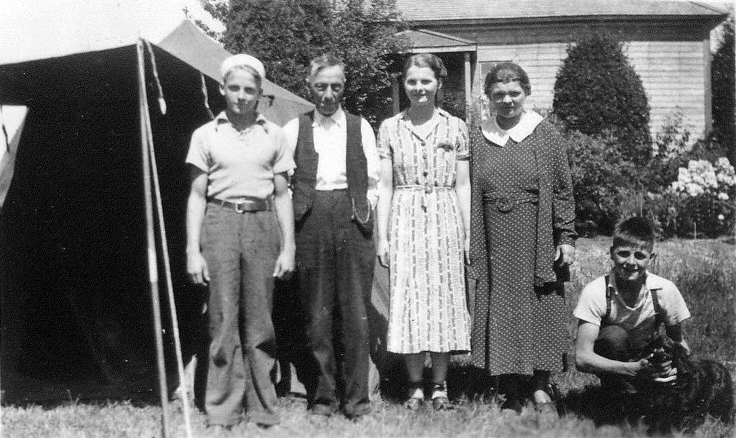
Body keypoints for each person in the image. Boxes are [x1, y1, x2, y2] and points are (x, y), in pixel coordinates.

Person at [185, 54, 295, 429]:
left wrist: (288, 246)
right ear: (222, 89)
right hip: (219, 222)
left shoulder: (275, 135)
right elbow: (197, 195)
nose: (242, 96)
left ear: (260, 94)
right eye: (234, 88)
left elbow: (283, 195)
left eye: (250, 90)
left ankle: (263, 407)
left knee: (260, 319)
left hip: (262, 223)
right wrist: (192, 251)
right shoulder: (206, 134)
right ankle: (222, 409)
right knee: (222, 317)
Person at [467, 62, 576, 413]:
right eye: (498, 94)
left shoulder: (544, 133)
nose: (507, 100)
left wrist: (566, 237)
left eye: (514, 93)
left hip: (537, 233)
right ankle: (508, 386)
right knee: (500, 305)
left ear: (526, 94)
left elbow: (561, 189)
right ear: (488, 98)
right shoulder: (478, 135)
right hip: (493, 234)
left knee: (541, 304)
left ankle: (541, 386)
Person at [283, 54, 380, 419]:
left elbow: (374, 182)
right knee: (317, 314)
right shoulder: (294, 129)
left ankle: (357, 400)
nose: (328, 94)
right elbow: (284, 181)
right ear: (310, 87)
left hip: (351, 218)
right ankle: (323, 398)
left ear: (344, 88)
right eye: (321, 86)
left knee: (355, 313)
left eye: (335, 86)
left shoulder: (360, 126)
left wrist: (361, 207)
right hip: (310, 219)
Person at [375, 53, 471, 411]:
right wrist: (383, 236)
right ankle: (415, 385)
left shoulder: (456, 127)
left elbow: (463, 184)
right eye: (412, 81)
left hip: (445, 215)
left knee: (443, 297)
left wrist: (466, 232)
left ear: (439, 84)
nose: (419, 88)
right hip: (405, 216)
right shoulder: (390, 128)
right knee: (411, 297)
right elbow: (385, 186)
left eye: (426, 81)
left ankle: (441, 384)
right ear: (404, 84)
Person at [574, 217, 689, 395]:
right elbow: (582, 358)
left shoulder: (664, 290)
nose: (631, 262)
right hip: (615, 362)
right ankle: (619, 394)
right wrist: (632, 369)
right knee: (614, 336)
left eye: (640, 256)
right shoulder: (595, 292)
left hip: (649, 359)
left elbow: (678, 342)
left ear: (651, 258)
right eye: (623, 253)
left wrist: (677, 369)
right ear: (612, 253)